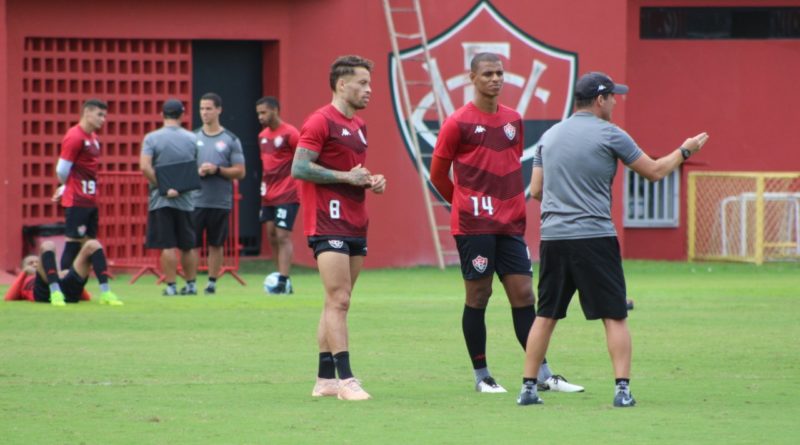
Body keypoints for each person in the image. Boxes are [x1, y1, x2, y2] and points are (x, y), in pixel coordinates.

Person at [519, 71, 709, 407]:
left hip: (554, 239)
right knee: (614, 315)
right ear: (599, 99)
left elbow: (535, 191)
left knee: (545, 315)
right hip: (594, 237)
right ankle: (622, 391)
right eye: (613, 97)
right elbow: (654, 171)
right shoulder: (611, 135)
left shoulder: (549, 136)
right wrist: (685, 150)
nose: (616, 102)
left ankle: (528, 389)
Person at [429, 52, 583, 395]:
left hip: (511, 223)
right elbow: (438, 175)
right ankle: (482, 376)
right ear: (472, 78)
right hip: (474, 225)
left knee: (524, 294)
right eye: (487, 74)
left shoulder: (514, 120)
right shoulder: (457, 123)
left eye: (499, 73)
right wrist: (466, 204)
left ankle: (542, 373)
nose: (495, 79)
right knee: (479, 295)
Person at [292, 55, 386, 401]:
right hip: (326, 220)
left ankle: (324, 379)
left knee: (336, 302)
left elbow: (351, 171)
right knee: (339, 299)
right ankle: (346, 379)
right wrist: (348, 177)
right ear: (341, 84)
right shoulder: (320, 121)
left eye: (369, 83)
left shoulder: (359, 126)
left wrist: (370, 181)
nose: (368, 89)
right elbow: (299, 168)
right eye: (362, 83)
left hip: (355, 220)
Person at [140, 99, 200, 297]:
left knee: (167, 245)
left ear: (162, 115)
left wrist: (164, 187)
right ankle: (191, 285)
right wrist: (180, 189)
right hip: (186, 201)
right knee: (188, 245)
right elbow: (194, 169)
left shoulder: (151, 138)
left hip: (160, 200)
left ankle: (171, 286)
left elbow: (145, 166)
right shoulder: (192, 138)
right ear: (182, 115)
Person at [191, 92, 246, 295]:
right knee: (192, 244)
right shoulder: (193, 137)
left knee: (216, 243)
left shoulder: (230, 139)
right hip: (196, 200)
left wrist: (217, 170)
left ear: (219, 110)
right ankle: (191, 282)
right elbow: (186, 168)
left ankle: (212, 282)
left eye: (208, 108)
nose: (204, 113)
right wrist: (196, 172)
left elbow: (240, 171)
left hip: (219, 201)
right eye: (202, 108)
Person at [52, 99, 108, 270]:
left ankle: (77, 287)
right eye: (99, 115)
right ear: (87, 113)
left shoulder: (94, 138)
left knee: (88, 244)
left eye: (104, 116)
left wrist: (64, 187)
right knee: (73, 243)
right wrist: (66, 187)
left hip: (89, 199)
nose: (103, 120)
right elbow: (62, 169)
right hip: (77, 199)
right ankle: (65, 286)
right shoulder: (74, 136)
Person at [256, 96, 300, 294]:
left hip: (288, 192)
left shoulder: (291, 133)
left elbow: (302, 159)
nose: (260, 117)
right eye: (258, 113)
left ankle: (284, 279)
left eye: (264, 112)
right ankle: (278, 276)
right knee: (272, 235)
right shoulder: (262, 136)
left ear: (275, 110)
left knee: (283, 235)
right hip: (268, 193)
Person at [3, 240, 121, 306]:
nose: (34, 264)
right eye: (30, 263)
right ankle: (55, 293)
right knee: (47, 244)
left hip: (67, 291)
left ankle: (106, 293)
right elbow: (8, 297)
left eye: (36, 261)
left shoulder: (56, 272)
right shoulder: (27, 279)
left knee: (93, 245)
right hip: (44, 293)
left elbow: (86, 297)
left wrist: (63, 273)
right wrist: (24, 273)